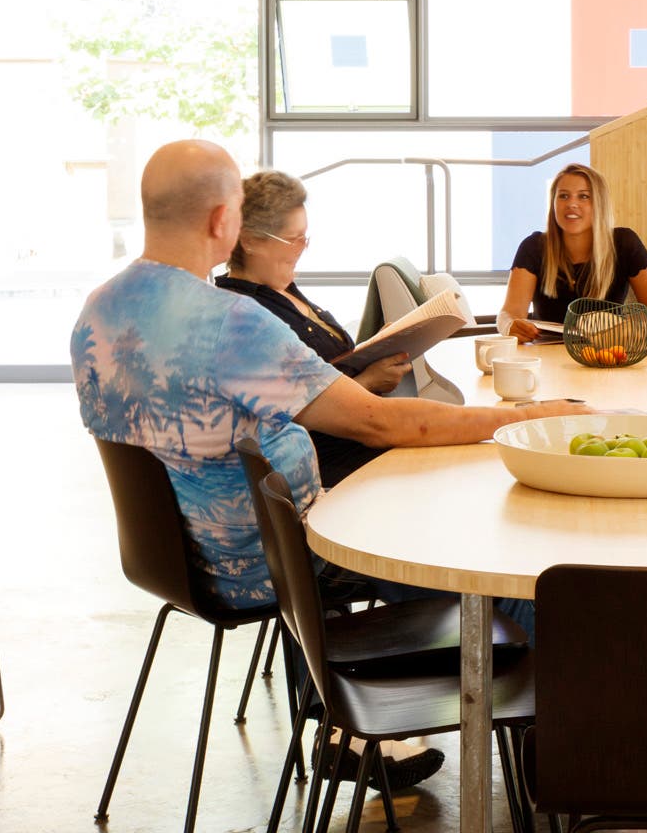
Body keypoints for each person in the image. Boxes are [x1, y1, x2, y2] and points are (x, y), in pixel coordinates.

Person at [72, 140, 587, 619]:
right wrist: (528, 417)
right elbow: (378, 424)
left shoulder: (96, 311)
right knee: (513, 576)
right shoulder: (232, 322)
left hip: (177, 560)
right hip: (283, 561)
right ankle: (542, 712)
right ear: (223, 220)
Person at [216, 168, 410, 486]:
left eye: (305, 238)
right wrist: (368, 381)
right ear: (250, 241)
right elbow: (292, 415)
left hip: (361, 444)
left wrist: (376, 347)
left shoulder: (282, 286)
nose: (302, 249)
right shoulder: (245, 314)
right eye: (293, 240)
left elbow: (322, 368)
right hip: (332, 468)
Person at [498, 161, 647, 339]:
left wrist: (625, 330)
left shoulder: (624, 243)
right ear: (554, 203)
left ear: (599, 204)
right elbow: (508, 314)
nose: (572, 204)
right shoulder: (533, 247)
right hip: (546, 355)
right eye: (563, 196)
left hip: (608, 353)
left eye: (584, 196)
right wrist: (509, 325)